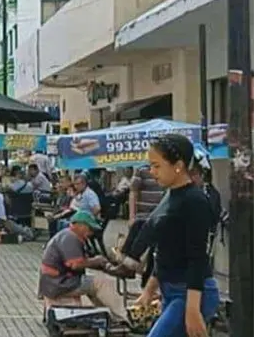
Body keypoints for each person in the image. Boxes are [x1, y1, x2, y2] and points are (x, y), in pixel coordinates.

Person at [131, 135, 220, 337]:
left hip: (191, 292)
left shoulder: (194, 200)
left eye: (157, 166)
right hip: (171, 290)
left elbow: (197, 257)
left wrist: (193, 308)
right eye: (150, 166)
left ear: (178, 166)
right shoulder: (170, 194)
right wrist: (149, 290)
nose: (152, 172)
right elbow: (165, 250)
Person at [38, 210, 125, 321]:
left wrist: (97, 263)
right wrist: (96, 261)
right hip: (60, 283)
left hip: (54, 282)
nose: (91, 233)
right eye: (90, 228)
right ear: (81, 225)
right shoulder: (70, 237)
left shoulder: (66, 234)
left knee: (94, 285)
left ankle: (107, 314)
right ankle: (123, 316)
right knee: (102, 282)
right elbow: (75, 264)